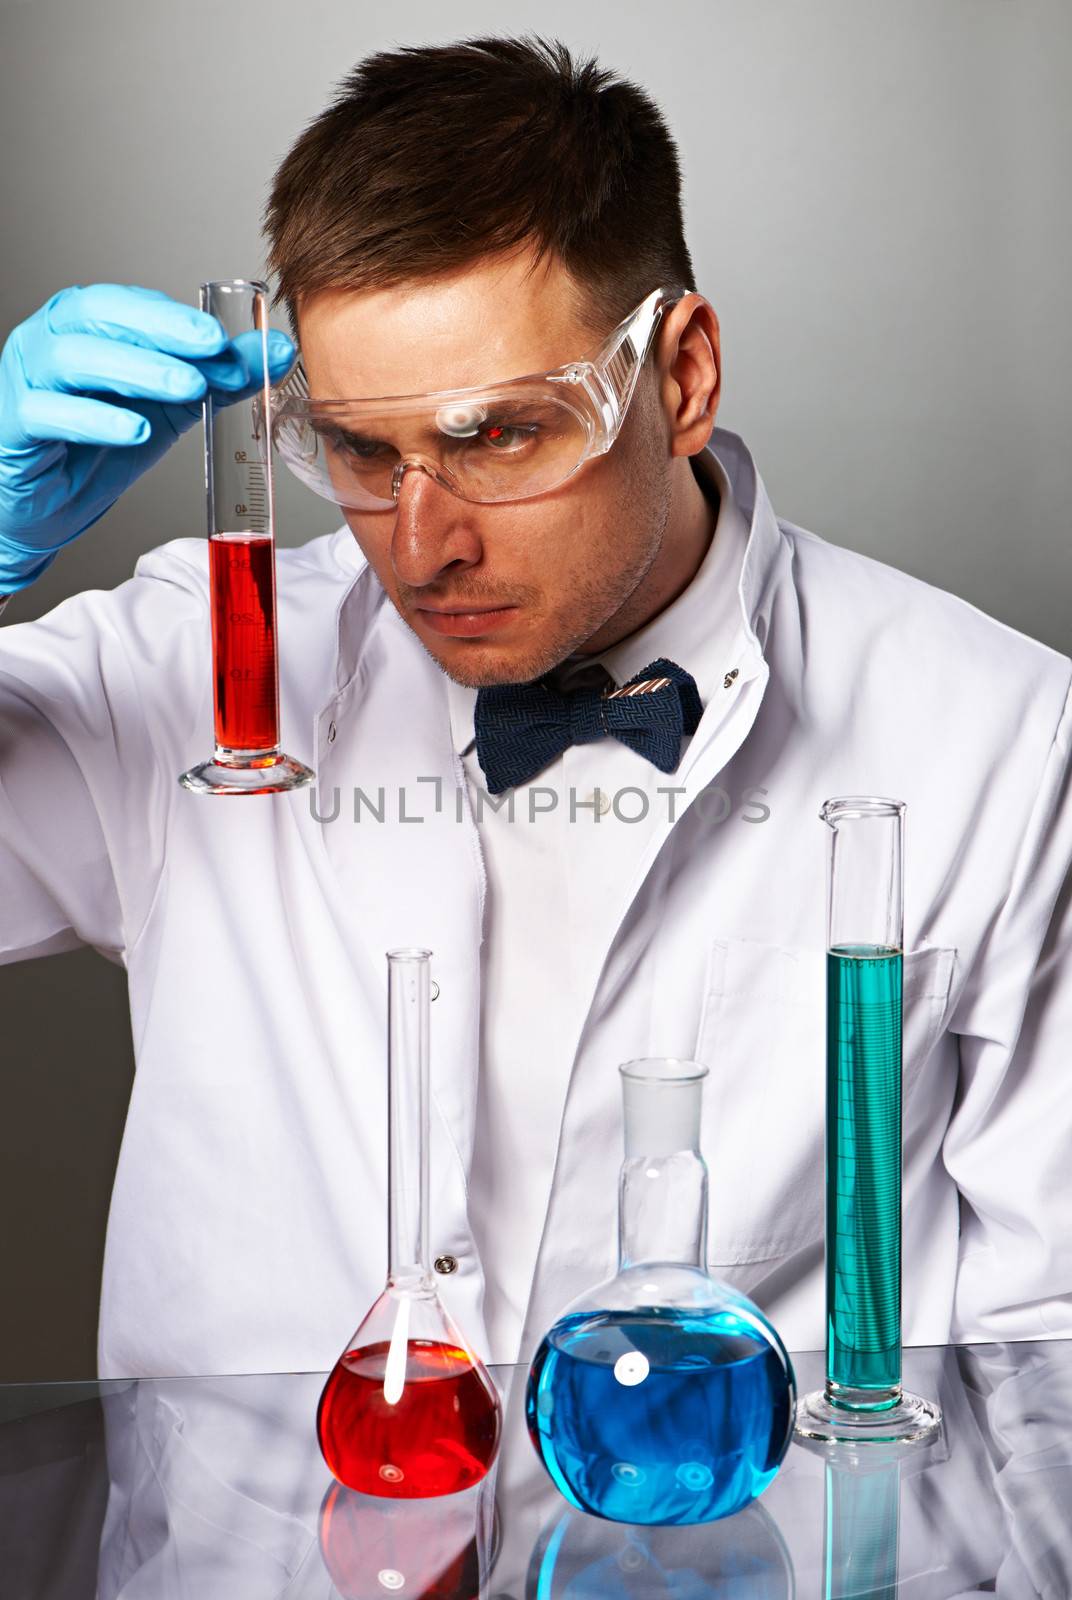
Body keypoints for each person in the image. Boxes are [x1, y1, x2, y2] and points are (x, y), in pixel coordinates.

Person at [0, 36, 1069, 1381]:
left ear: (679, 376)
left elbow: (1054, 1377)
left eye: (497, 434)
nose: (423, 540)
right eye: (357, 450)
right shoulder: (189, 682)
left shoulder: (999, 738)